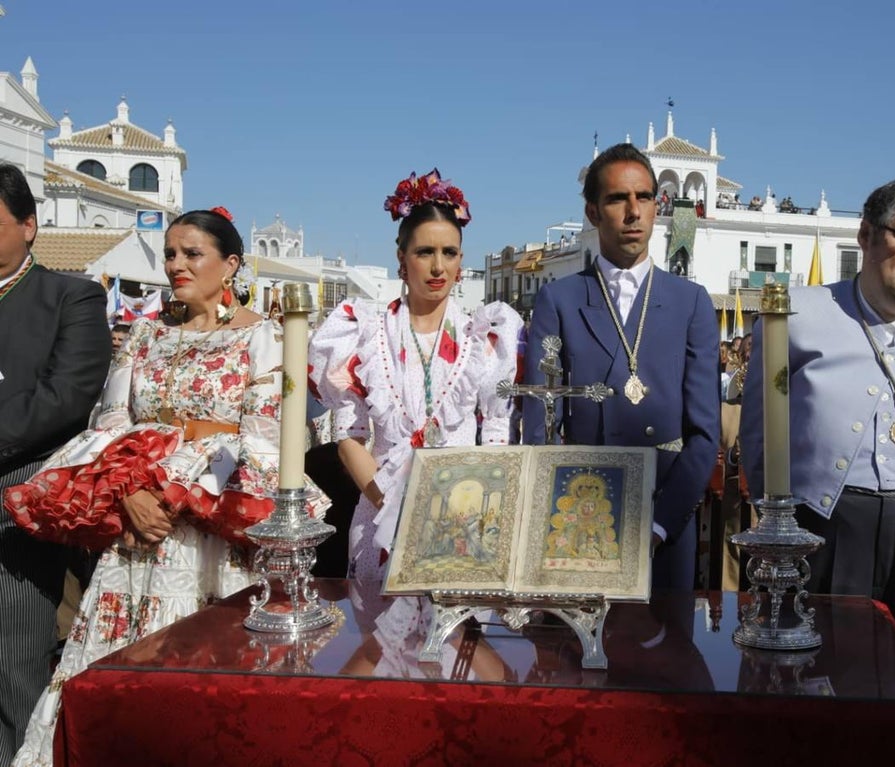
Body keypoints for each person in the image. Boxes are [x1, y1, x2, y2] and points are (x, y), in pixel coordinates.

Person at [4, 206, 310, 765]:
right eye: (171, 253)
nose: (176, 265)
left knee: (207, 698)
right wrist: (128, 492)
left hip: (210, 536)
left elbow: (267, 438)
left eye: (192, 254)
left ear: (231, 265)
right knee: (116, 688)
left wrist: (174, 492)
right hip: (135, 538)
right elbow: (111, 425)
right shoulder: (145, 334)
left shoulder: (264, 338)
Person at [740, 178, 895, 667]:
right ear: (867, 236)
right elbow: (759, 429)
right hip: (821, 519)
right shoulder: (797, 315)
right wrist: (772, 514)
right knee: (815, 666)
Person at [309, 169, 522, 586]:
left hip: (465, 523)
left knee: (456, 644)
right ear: (402, 259)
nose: (439, 266)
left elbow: (497, 432)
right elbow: (348, 437)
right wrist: (392, 507)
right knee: (381, 646)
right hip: (380, 516)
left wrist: (469, 513)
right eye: (425, 251)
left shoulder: (485, 337)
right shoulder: (364, 333)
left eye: (451, 252)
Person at [523, 143, 720, 589]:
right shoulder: (559, 299)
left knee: (663, 651)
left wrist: (659, 524)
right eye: (617, 199)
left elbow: (705, 434)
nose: (634, 212)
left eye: (645, 197)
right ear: (592, 212)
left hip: (665, 519)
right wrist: (555, 516)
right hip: (578, 519)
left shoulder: (692, 302)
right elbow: (542, 425)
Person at [0, 164, 110, 763]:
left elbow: (66, 396)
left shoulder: (70, 295)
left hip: (20, 495)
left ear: (30, 227)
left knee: (13, 660)